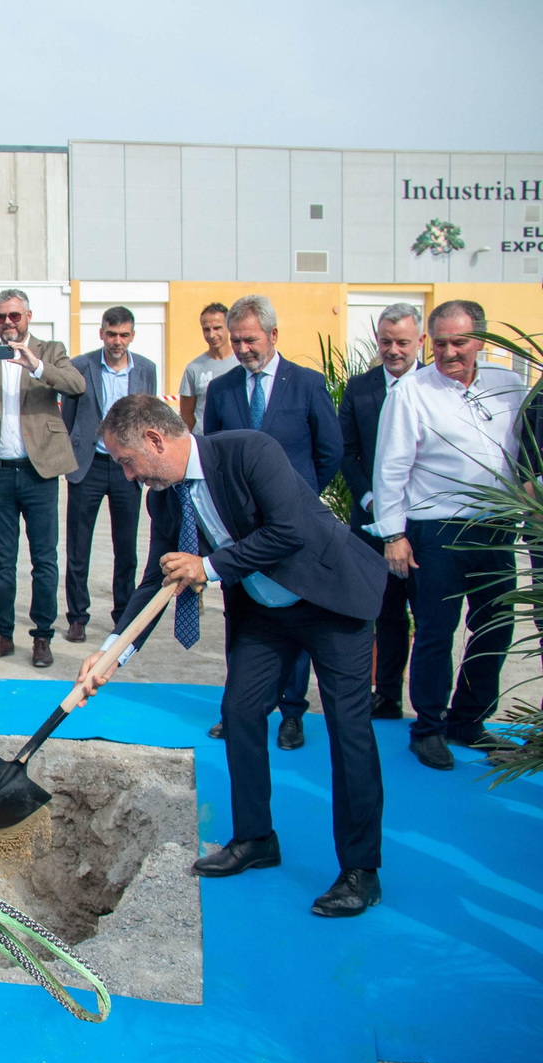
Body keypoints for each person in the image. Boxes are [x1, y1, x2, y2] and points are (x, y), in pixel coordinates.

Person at [77, 395, 387, 919]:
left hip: (331, 600)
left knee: (347, 727)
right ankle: (255, 839)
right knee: (240, 713)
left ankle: (361, 870)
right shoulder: (166, 498)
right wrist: (110, 653)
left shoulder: (249, 451)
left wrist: (210, 566)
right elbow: (158, 577)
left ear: (154, 441)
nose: (127, 476)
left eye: (127, 461)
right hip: (265, 613)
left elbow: (289, 532)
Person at [369, 299, 525, 771]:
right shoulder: (411, 392)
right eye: (440, 343)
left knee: (495, 629)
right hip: (435, 530)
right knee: (436, 632)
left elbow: (524, 451)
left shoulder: (510, 385)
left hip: (496, 527)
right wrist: (393, 534)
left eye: (460, 342)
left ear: (481, 339)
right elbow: (390, 467)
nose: (450, 352)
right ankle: (429, 727)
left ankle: (468, 720)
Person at [201, 294, 343, 750]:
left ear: (274, 336)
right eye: (236, 340)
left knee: (293, 621)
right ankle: (241, 708)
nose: (243, 348)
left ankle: (292, 713)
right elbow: (211, 454)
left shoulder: (306, 384)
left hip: (291, 530)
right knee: (241, 621)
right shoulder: (223, 389)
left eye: (251, 340)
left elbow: (330, 451)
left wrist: (298, 502)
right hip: (241, 533)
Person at [0, 288, 86, 669]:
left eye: (14, 316)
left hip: (39, 471)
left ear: (28, 316)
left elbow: (76, 386)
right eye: (1, 318)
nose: (8, 323)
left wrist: (37, 366)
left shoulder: (50, 350)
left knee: (44, 559)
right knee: (2, 561)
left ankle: (42, 636)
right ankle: (2, 634)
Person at [338, 303, 423, 721]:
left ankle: (430, 707)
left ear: (419, 341)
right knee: (381, 612)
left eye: (402, 342)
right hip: (371, 524)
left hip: (424, 524)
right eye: (386, 341)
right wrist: (371, 498)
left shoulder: (434, 385)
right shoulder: (360, 388)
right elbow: (346, 453)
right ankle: (386, 695)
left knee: (425, 617)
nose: (393, 350)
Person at [61, 306, 158, 644]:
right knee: (78, 547)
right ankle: (77, 617)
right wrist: (69, 458)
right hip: (88, 465)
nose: (117, 341)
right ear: (101, 333)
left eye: (124, 335)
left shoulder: (146, 369)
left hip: (126, 469)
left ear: (132, 335)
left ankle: (123, 617)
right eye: (112, 334)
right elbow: (69, 417)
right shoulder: (81, 365)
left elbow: (149, 418)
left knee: (126, 548)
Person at [177, 303, 237, 434]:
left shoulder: (242, 364)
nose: (211, 335)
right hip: (205, 443)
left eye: (217, 328)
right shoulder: (194, 369)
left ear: (229, 327)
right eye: (206, 329)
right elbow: (187, 416)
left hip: (235, 440)